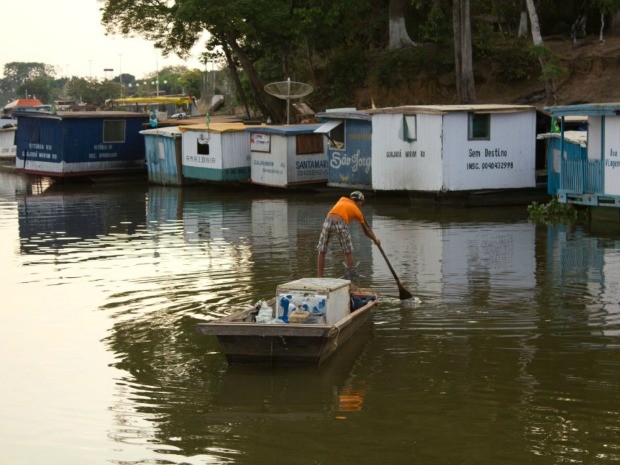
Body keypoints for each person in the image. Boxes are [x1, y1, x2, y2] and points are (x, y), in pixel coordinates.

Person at [316, 191, 380, 278]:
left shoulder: (342, 199)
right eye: (362, 203)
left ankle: (319, 278)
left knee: (322, 250)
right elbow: (366, 231)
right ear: (360, 202)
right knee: (348, 251)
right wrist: (375, 239)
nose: (362, 205)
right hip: (340, 223)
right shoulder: (358, 212)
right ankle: (351, 279)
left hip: (327, 221)